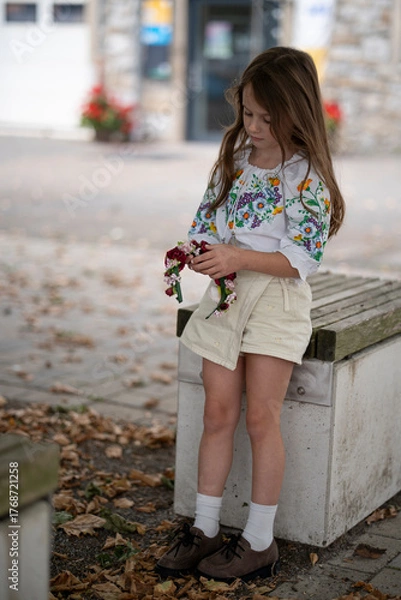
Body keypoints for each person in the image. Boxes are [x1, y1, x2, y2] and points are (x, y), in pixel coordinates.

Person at [157, 46, 345, 582]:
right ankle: (207, 527)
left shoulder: (305, 175)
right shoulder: (235, 164)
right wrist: (198, 251)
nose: (254, 125)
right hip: (227, 296)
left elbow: (302, 257)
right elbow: (206, 222)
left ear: (297, 111)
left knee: (262, 417)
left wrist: (237, 256)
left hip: (277, 302)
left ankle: (260, 541)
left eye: (267, 116)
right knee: (218, 414)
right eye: (248, 113)